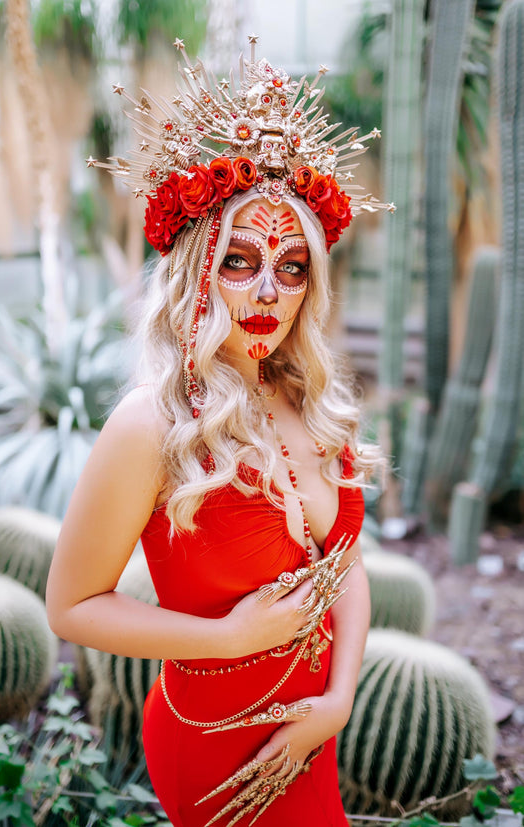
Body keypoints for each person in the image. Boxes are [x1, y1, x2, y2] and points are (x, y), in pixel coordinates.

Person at [46, 36, 392, 827]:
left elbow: (349, 568)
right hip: (215, 745)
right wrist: (232, 639)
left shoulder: (315, 401)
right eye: (239, 260)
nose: (270, 290)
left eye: (294, 265)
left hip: (309, 730)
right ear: (196, 267)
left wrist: (336, 701)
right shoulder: (152, 425)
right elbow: (71, 606)